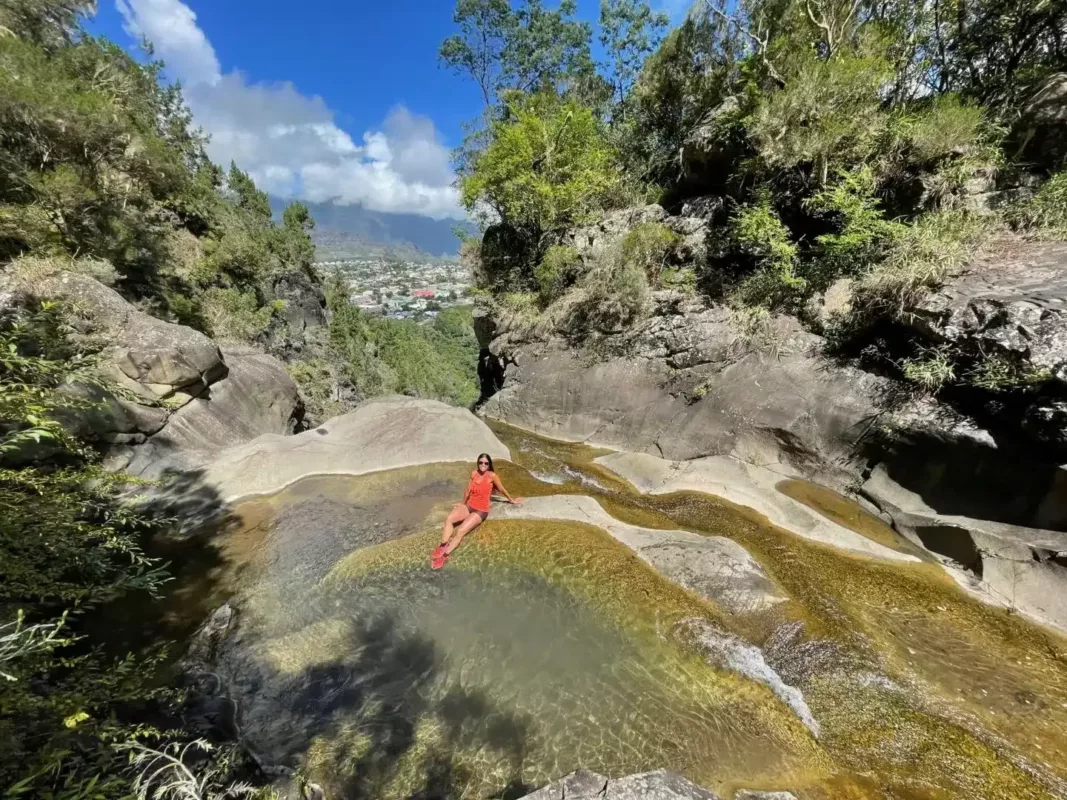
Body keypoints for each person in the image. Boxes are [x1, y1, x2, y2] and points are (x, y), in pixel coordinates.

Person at [431, 453, 522, 570]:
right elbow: (468, 490)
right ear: (478, 463)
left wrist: (511, 500)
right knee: (449, 519)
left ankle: (445, 555)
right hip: (469, 505)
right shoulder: (474, 473)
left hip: (480, 511)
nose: (483, 465)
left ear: (489, 464)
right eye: (481, 462)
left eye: (486, 463)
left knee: (460, 530)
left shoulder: (492, 476)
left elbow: (501, 489)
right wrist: (463, 504)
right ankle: (443, 545)